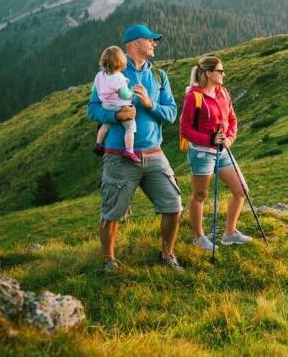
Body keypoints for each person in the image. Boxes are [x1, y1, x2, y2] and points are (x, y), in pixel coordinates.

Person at [87, 24, 184, 273]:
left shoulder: (160, 76)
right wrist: (117, 116)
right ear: (134, 43)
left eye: (154, 40)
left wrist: (151, 105)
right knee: (111, 213)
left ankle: (167, 255)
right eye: (150, 40)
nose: (154, 43)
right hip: (119, 156)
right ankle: (110, 262)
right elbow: (93, 109)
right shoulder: (111, 71)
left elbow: (171, 113)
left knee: (173, 205)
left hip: (154, 154)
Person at [180, 55, 252, 250]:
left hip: (223, 151)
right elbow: (185, 130)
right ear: (208, 73)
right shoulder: (194, 96)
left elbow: (232, 119)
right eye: (220, 71)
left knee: (241, 190)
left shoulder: (223, 93)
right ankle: (198, 238)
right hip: (202, 153)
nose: (223, 74)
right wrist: (209, 140)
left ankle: (229, 234)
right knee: (200, 195)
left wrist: (228, 139)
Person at [92, 46, 140, 163]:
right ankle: (129, 150)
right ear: (120, 62)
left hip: (106, 105)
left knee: (105, 125)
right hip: (120, 106)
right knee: (130, 127)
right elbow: (124, 94)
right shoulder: (118, 78)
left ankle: (98, 143)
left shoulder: (100, 76)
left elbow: (96, 89)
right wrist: (132, 92)